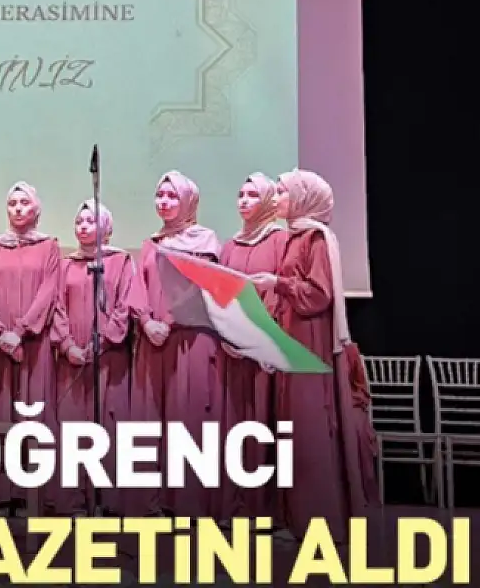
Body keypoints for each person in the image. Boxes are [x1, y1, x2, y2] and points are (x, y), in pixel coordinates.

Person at [264, 169, 373, 540]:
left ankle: (317, 520)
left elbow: (317, 294)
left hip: (308, 338)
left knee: (308, 427)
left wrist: (277, 283)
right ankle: (296, 518)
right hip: (292, 334)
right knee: (291, 427)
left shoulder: (316, 238)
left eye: (282, 192)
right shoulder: (294, 236)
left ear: (303, 198)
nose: (276, 198)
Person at [133, 170, 224, 517]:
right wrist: (146, 321)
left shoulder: (205, 241)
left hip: (190, 339)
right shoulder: (151, 243)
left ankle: (188, 504)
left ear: (188, 201)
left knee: (187, 419)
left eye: (172, 196)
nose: (164, 202)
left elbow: (200, 289)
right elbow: (137, 287)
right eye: (160, 195)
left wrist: (167, 322)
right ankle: (151, 502)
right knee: (151, 419)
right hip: (153, 340)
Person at [49, 200, 144, 516]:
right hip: (72, 359)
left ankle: (109, 500)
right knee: (73, 428)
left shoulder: (121, 261)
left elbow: (125, 306)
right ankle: (73, 501)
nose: (83, 226)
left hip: (109, 358)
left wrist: (101, 341)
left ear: (106, 226)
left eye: (90, 221)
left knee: (109, 426)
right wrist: (68, 346)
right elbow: (56, 308)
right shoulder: (65, 265)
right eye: (79, 221)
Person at [0, 181, 61, 516]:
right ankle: (0, 494)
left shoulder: (49, 246)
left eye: (24, 202)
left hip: (34, 344)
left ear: (36, 208)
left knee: (34, 415)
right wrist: (1, 332)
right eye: (12, 203)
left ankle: (33, 495)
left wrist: (22, 330)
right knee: (0, 416)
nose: (17, 208)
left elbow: (48, 292)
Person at [218, 172, 288, 519]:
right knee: (234, 425)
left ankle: (264, 509)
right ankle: (234, 504)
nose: (244, 201)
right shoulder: (230, 245)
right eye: (240, 194)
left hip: (264, 351)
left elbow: (279, 293)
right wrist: (228, 334)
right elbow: (221, 294)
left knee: (264, 423)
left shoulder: (280, 240)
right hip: (233, 350)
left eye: (252, 195)